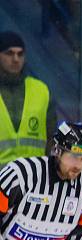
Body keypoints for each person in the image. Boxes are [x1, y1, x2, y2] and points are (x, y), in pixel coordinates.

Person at [0, 31, 57, 166]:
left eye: (20, 54)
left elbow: (52, 139)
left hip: (34, 180)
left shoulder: (41, 91)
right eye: (9, 53)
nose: (16, 59)